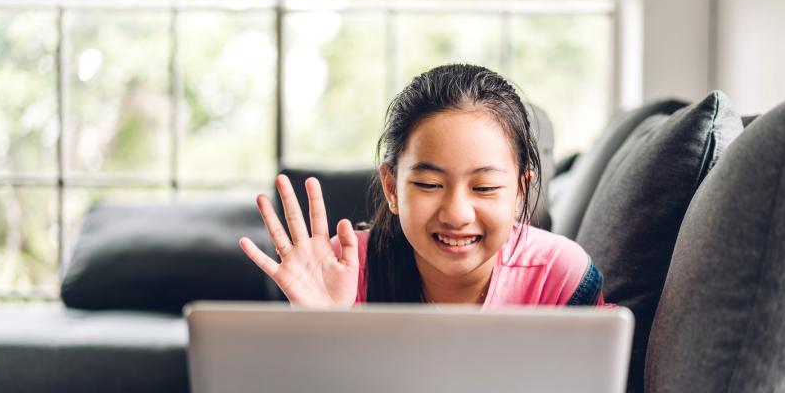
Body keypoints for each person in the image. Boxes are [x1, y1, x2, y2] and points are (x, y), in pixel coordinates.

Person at [239, 63, 605, 308]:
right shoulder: (344, 268)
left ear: (520, 192)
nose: (457, 214)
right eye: (430, 184)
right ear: (392, 188)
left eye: (484, 188)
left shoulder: (561, 276)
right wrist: (322, 328)